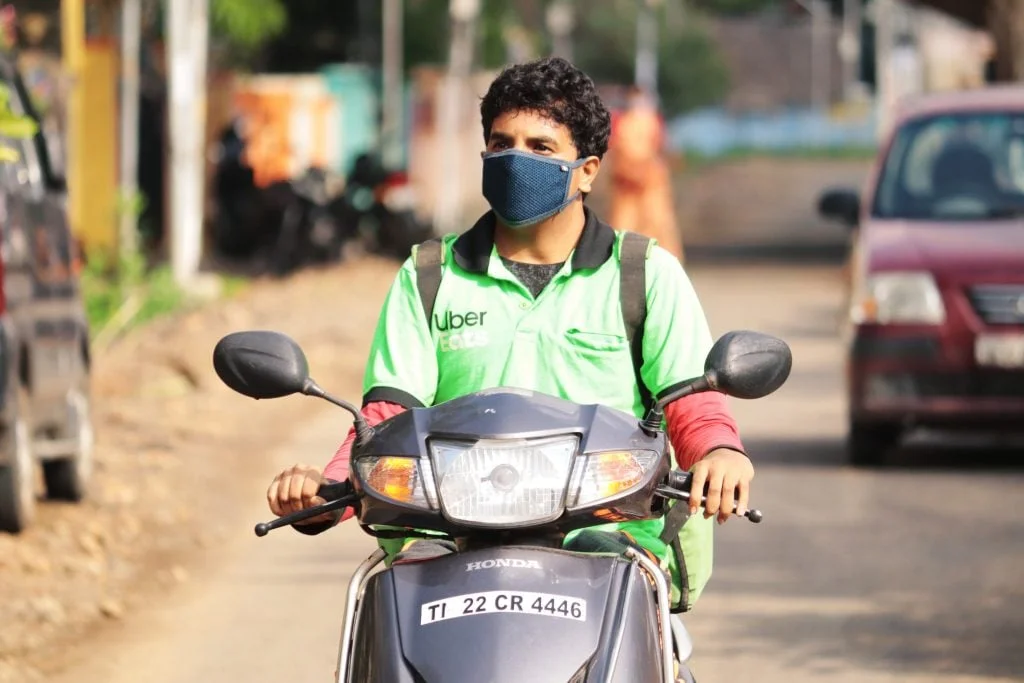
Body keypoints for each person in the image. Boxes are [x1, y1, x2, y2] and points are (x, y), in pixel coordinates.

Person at [265, 57, 753, 613]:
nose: (515, 159)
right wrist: (328, 491)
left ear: (588, 170)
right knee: (382, 621)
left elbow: (690, 397)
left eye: (541, 147)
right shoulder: (430, 274)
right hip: (448, 537)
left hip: (606, 542)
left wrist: (719, 452)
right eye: (502, 143)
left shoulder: (643, 274)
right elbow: (387, 414)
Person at [608, 85, 684, 263]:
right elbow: (614, 150)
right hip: (626, 183)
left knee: (658, 222)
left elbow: (662, 148)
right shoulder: (620, 121)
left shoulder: (654, 120)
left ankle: (665, 262)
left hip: (652, 182)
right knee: (624, 223)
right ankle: (621, 261)